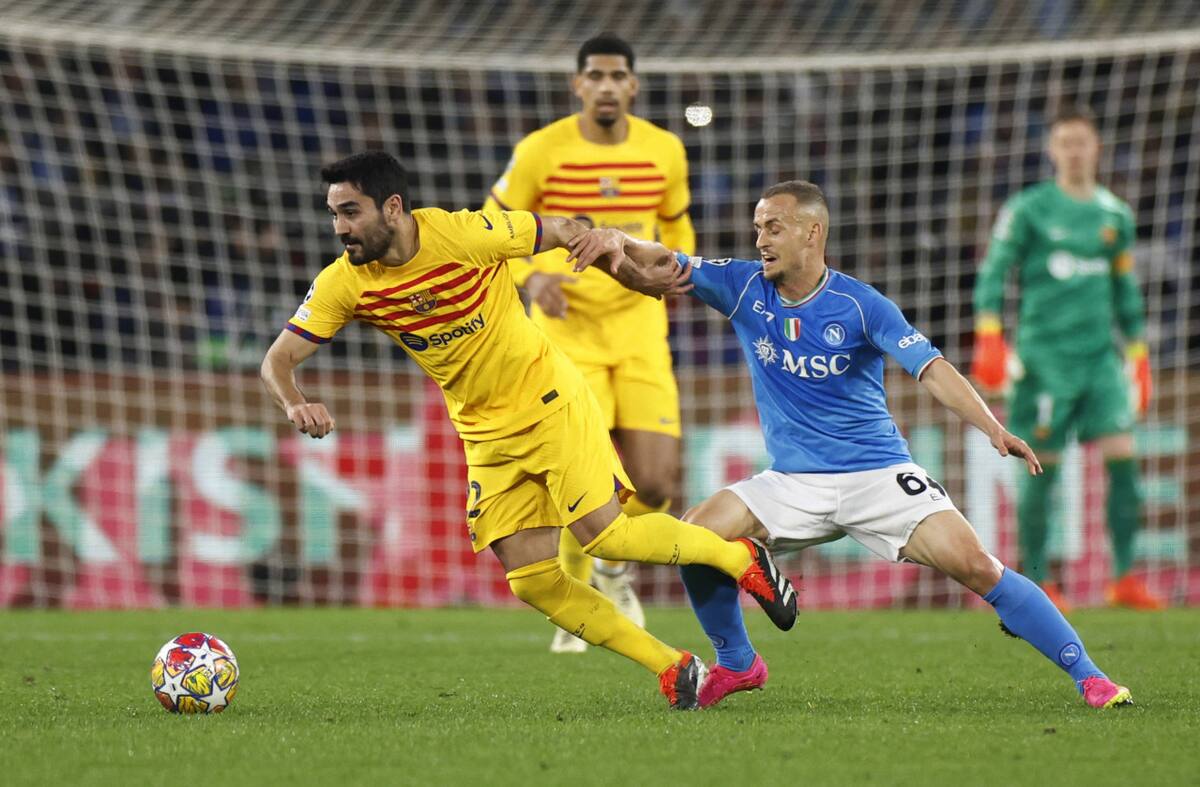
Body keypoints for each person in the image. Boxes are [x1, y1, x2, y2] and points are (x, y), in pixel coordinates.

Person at [567, 179, 1134, 710]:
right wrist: (619, 238)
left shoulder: (862, 305)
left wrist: (992, 427)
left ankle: (1091, 676)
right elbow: (664, 263)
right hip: (790, 481)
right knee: (693, 537)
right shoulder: (741, 287)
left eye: (773, 227)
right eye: (758, 228)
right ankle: (738, 664)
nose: (759, 239)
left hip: (877, 475)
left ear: (812, 233)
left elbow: (931, 368)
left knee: (977, 566)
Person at [260, 151, 797, 710]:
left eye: (350, 212)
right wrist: (295, 402)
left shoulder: (467, 233)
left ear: (393, 208)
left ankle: (743, 561)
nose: (340, 228)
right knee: (532, 580)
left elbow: (564, 230)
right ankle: (673, 666)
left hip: (547, 401)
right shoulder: (344, 284)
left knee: (605, 535)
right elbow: (277, 362)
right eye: (334, 215)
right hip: (485, 435)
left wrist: (621, 262)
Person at [484, 34, 694, 650]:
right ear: (578, 84)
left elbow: (677, 225)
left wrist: (679, 269)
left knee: (655, 484)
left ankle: (610, 570)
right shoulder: (540, 151)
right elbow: (493, 228)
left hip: (639, 330)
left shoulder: (665, 150)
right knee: (581, 477)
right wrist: (534, 276)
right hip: (565, 334)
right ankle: (582, 600)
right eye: (595, 76)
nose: (606, 85)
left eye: (617, 75)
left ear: (633, 85)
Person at [971, 106, 1162, 612]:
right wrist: (990, 334)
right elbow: (994, 272)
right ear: (1052, 150)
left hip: (1100, 361)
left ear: (1096, 147)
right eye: (1065, 142)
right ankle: (1039, 578)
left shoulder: (1114, 214)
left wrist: (1138, 355)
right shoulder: (1028, 209)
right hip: (1044, 362)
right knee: (1042, 470)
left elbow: (1124, 288)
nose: (1074, 151)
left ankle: (1123, 578)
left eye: (1082, 141)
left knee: (1125, 461)